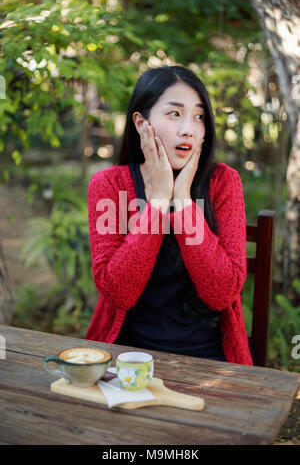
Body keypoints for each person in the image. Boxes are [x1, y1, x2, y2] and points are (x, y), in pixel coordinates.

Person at [85, 66, 253, 365]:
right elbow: (117, 292)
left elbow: (222, 293)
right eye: (174, 114)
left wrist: (184, 202)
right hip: (127, 357)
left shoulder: (223, 183)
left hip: (209, 357)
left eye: (198, 116)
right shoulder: (108, 185)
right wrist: (160, 202)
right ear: (141, 122)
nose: (188, 128)